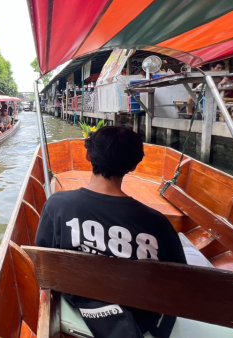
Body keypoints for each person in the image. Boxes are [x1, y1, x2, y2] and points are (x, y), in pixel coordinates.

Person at [36, 126, 186, 338]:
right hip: (144, 317)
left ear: (88, 155)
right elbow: (180, 279)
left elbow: (45, 262)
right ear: (134, 165)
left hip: (83, 303)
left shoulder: (57, 205)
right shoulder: (157, 223)